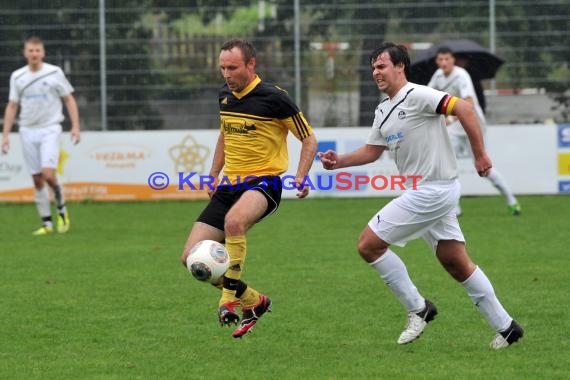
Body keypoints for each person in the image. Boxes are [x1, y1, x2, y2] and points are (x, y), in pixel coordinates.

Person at [318, 42, 523, 349]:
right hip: (425, 190)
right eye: (373, 67)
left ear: (400, 67)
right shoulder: (383, 109)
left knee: (368, 245)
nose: (376, 72)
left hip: (434, 189)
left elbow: (464, 108)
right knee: (454, 261)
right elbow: (373, 151)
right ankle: (507, 328)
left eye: (382, 66)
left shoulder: (418, 95)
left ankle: (419, 308)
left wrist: (480, 155)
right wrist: (339, 162)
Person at [180, 38, 317, 338]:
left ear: (251, 64)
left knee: (234, 222)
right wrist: (213, 173)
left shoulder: (274, 97)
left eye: (233, 67)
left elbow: (308, 138)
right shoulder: (224, 95)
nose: (227, 74)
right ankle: (254, 301)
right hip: (230, 183)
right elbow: (225, 135)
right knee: (190, 257)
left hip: (264, 182)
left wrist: (302, 175)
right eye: (222, 68)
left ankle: (227, 300)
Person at [428, 46, 520, 216]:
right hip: (454, 127)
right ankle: (454, 208)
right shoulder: (438, 76)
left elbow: (468, 103)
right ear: (437, 61)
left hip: (473, 122)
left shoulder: (461, 75)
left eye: (447, 59)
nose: (444, 62)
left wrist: (449, 118)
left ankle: (511, 201)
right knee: (447, 164)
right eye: (440, 59)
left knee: (484, 168)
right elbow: (427, 97)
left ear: (453, 59)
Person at [1, 36, 80, 235]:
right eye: (30, 50)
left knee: (47, 174)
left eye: (37, 50)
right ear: (25, 53)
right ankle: (47, 223)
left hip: (50, 128)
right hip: (27, 130)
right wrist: (6, 135)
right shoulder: (17, 77)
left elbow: (69, 99)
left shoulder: (54, 72)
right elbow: (12, 106)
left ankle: (61, 207)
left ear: (43, 53)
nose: (34, 54)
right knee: (37, 180)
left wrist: (75, 126)